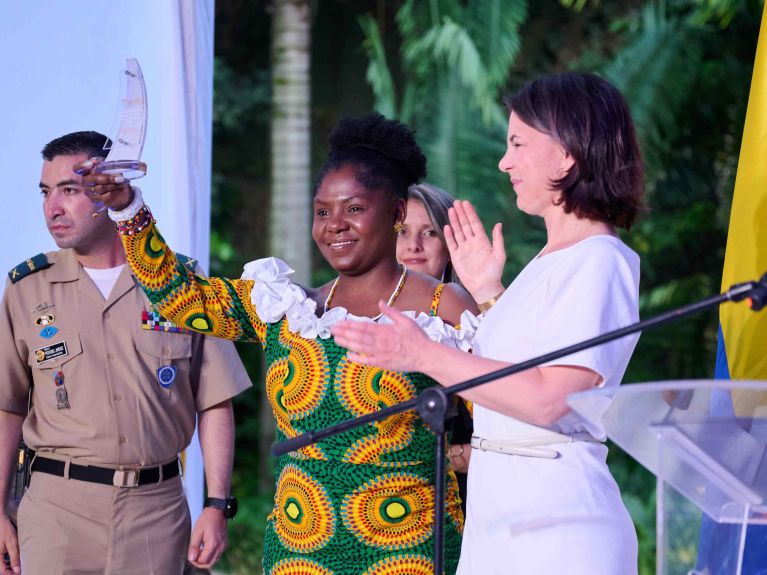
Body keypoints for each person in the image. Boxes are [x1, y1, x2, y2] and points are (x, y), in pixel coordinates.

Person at [86, 115, 479, 574]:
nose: (335, 225)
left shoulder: (442, 305)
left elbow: (500, 416)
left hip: (411, 551)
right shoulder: (288, 309)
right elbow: (180, 297)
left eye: (354, 208)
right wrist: (128, 209)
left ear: (395, 214)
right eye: (323, 211)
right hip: (300, 552)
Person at [332, 73, 644, 574]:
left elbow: (551, 398)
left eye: (518, 143)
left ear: (566, 154)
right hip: (503, 513)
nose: (505, 162)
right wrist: (489, 296)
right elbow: (519, 374)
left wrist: (423, 354)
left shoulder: (599, 259)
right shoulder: (551, 261)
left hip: (556, 523)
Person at [0, 131, 252, 575]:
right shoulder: (26, 289)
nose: (52, 208)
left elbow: (215, 400)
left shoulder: (179, 285)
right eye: (46, 192)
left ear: (109, 190)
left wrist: (216, 503)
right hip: (56, 510)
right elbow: (7, 407)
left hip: (155, 511)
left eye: (70, 191)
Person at [396, 183, 473, 509]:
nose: (413, 245)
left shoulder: (472, 320)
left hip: (456, 499)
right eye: (401, 231)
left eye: (429, 233)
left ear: (450, 244)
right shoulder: (348, 315)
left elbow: (509, 419)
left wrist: (453, 457)